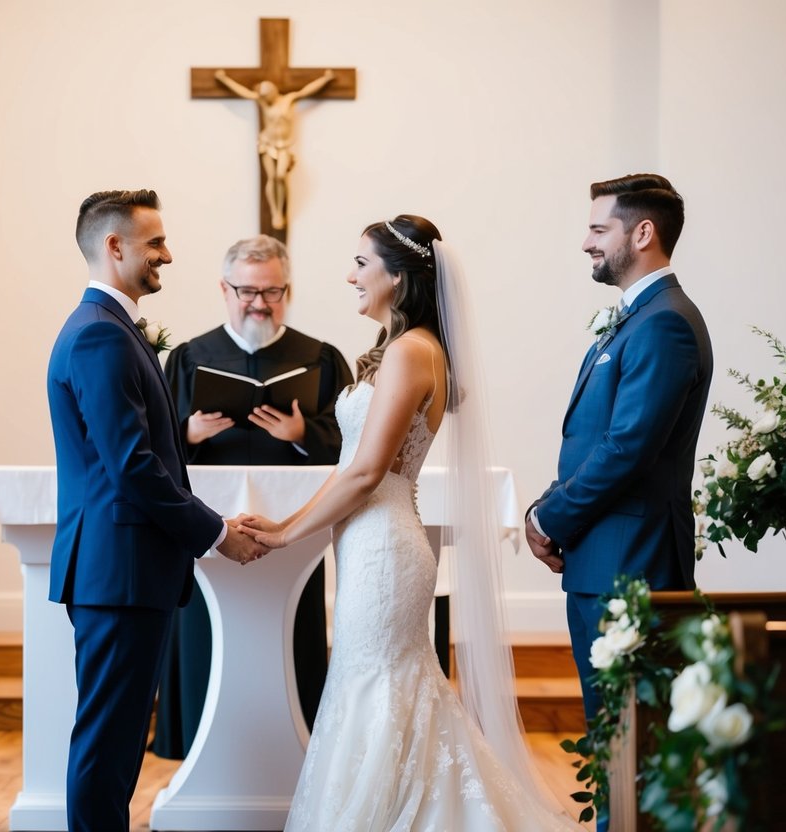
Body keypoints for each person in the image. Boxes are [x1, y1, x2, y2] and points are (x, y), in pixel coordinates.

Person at [241, 217, 580, 829]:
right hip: (373, 544)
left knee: (378, 692)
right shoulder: (408, 349)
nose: (350, 275)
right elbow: (352, 466)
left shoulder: (411, 352)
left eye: (361, 264)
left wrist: (287, 537)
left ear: (398, 277)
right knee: (381, 689)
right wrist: (284, 522)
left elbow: (368, 472)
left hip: (384, 550)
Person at [47, 189, 268, 832]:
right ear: (114, 246)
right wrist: (215, 533)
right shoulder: (99, 337)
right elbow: (133, 468)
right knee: (108, 738)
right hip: (119, 568)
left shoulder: (109, 329)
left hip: (124, 566)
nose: (167, 255)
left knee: (115, 738)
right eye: (155, 243)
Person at [526, 174, 712, 733]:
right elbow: (598, 441)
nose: (587, 243)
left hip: (631, 564)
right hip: (603, 558)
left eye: (598, 229)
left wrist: (549, 518)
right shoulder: (640, 318)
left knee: (630, 740)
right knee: (612, 737)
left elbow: (627, 448)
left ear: (642, 233)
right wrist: (547, 504)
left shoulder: (665, 324)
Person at [154, 234, 353, 758]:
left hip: (293, 529)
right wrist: (189, 433)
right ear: (224, 287)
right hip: (207, 528)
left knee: (293, 636)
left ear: (288, 290)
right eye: (246, 291)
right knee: (204, 636)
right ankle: (200, 746)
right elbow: (150, 451)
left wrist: (303, 434)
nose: (259, 303)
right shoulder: (189, 357)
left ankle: (296, 742)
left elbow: (359, 450)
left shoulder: (321, 359)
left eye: (272, 291)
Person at [214, 69, 335, 230]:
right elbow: (244, 93)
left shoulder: (289, 99)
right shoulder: (263, 103)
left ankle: (280, 211)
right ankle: (276, 212)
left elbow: (306, 91)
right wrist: (224, 79)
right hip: (267, 143)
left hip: (284, 145)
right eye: (263, 95)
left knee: (280, 176)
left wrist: (326, 79)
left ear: (273, 91)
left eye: (266, 94)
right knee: (272, 177)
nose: (264, 98)